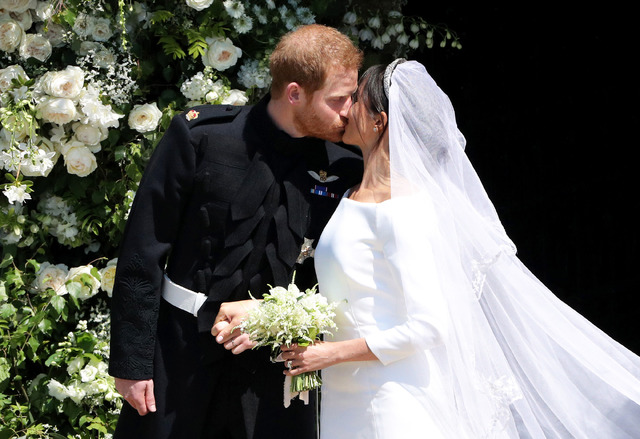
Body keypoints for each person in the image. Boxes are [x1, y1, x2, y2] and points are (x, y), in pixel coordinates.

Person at [270, 60, 640, 438]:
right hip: (346, 396)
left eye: (356, 100)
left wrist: (331, 353)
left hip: (391, 399)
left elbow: (429, 326)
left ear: (379, 121)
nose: (345, 109)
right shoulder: (352, 195)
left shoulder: (402, 208)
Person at [108, 24, 363, 439]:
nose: (349, 110)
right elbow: (143, 250)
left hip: (278, 373)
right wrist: (131, 363)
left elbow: (345, 275)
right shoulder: (202, 138)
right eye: (338, 99)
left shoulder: (345, 167)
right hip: (179, 356)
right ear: (295, 92)